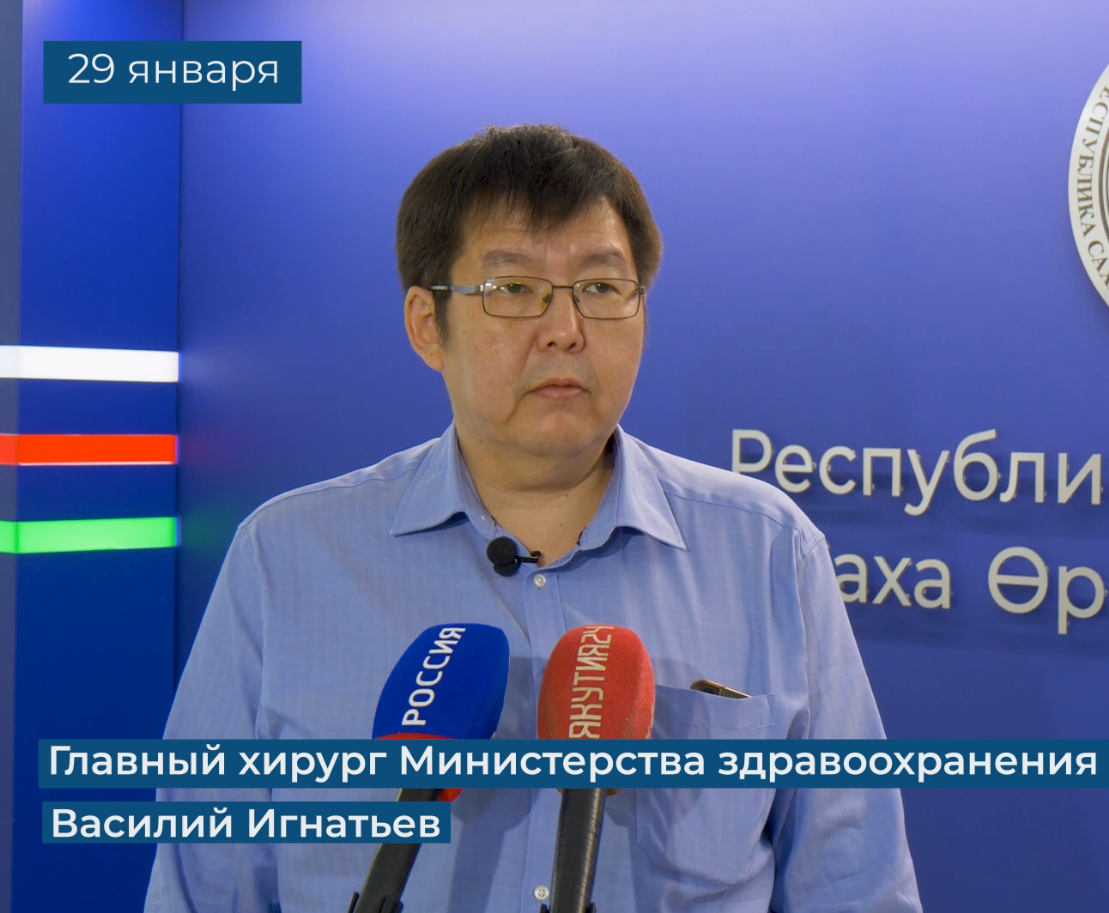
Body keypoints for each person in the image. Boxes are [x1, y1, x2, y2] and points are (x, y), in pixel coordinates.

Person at [146, 124, 922, 912]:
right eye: (512, 288)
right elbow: (203, 888)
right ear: (426, 324)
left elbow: (854, 886)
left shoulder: (766, 549)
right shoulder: (287, 557)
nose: (564, 329)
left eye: (601, 287)